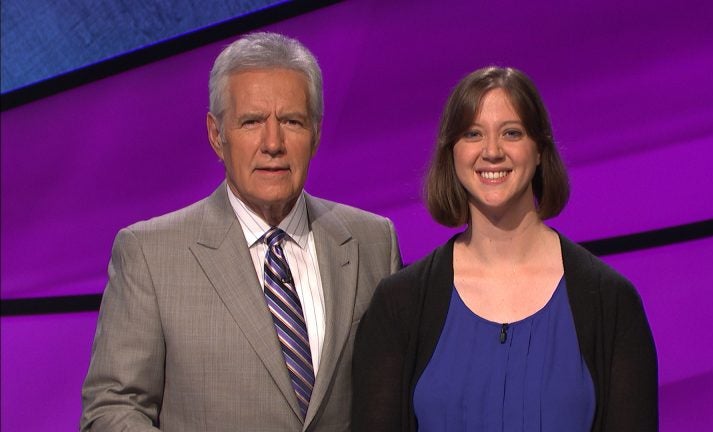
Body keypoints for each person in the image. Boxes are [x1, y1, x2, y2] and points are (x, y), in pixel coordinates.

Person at [81, 32, 402, 431]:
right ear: (217, 135)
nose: (273, 143)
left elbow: (398, 398)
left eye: (291, 122)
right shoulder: (149, 253)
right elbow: (112, 409)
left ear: (316, 134)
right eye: (252, 122)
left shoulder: (373, 240)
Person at [352, 66, 657, 431]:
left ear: (540, 149)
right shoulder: (399, 303)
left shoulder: (611, 302)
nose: (492, 151)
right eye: (473, 134)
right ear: (452, 153)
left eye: (511, 133)